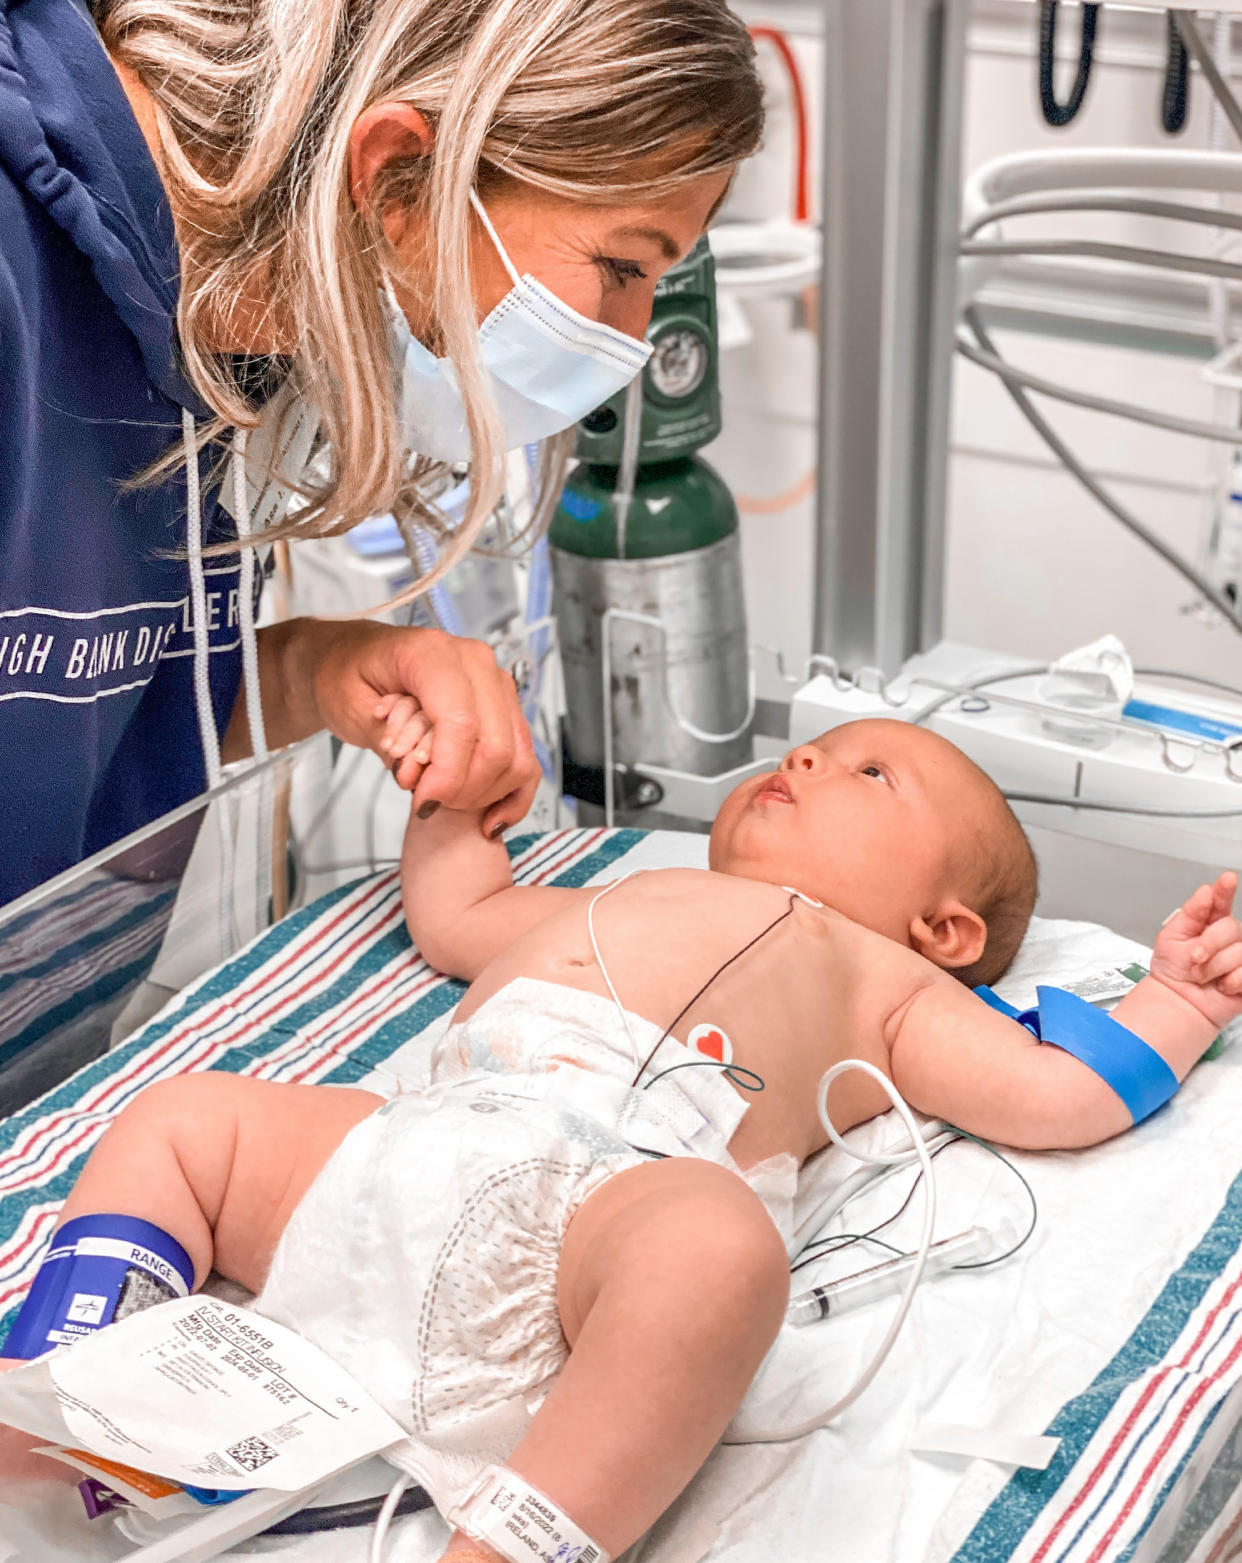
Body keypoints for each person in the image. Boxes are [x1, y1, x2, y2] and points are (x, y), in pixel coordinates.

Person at [5, 718, 1240, 1558]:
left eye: (870, 777)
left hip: (602, 1216)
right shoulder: (622, 893)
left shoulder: (888, 984)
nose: (806, 760)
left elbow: (1055, 1096)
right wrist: (453, 801)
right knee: (186, 1117)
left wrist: (1175, 1006)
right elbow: (457, 916)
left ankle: (517, 1537)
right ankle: (60, 1384)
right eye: (813, 748)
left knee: (715, 1255)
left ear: (945, 928)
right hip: (405, 1154)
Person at [0, 0, 762, 902]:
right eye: (623, 268)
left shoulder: (233, 316)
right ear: (398, 175)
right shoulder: (27, 277)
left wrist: (318, 671)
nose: (628, 343)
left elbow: (86, 702)